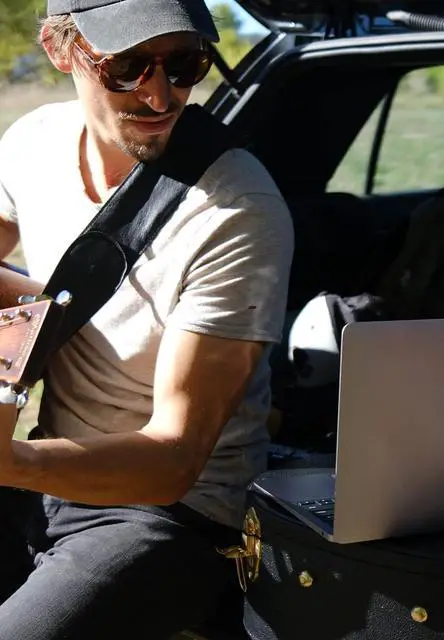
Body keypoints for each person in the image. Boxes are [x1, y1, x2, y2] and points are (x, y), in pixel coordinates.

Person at [0, 0, 293, 638]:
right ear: (59, 49)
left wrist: (12, 461)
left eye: (185, 64)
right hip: (43, 474)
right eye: (127, 67)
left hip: (173, 515)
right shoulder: (31, 142)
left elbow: (173, 460)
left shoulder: (236, 211)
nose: (160, 96)